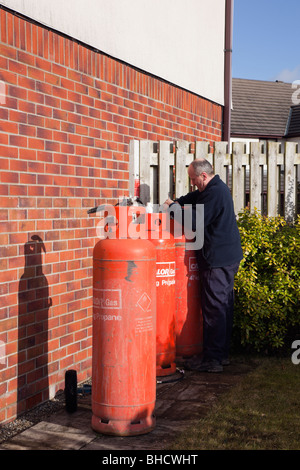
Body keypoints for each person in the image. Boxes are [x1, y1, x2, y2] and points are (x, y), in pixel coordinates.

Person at [164, 158, 243, 373]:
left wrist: (172, 208)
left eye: (193, 179)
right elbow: (193, 197)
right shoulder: (211, 189)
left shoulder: (216, 193)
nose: (192, 183)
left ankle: (213, 360)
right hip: (226, 257)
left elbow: (193, 223)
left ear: (204, 176)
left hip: (217, 260)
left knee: (215, 309)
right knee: (223, 305)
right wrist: (178, 201)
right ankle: (221, 355)